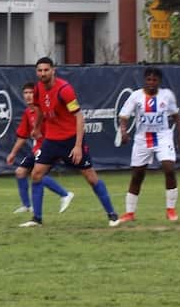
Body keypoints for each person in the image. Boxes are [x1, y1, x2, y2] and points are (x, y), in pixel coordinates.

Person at [21, 57, 119, 228]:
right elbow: (40, 111)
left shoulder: (65, 90)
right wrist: (36, 128)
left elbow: (79, 117)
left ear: (53, 70)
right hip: (51, 141)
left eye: (46, 70)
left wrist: (77, 146)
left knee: (90, 178)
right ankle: (36, 218)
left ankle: (112, 215)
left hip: (70, 140)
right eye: (40, 70)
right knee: (36, 174)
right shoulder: (37, 89)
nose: (43, 73)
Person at [118, 67, 180, 223]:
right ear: (144, 80)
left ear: (159, 81)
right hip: (142, 138)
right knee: (137, 174)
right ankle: (130, 213)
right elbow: (123, 116)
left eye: (154, 80)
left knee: (169, 168)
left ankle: (171, 209)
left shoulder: (167, 95)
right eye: (148, 79)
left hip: (163, 136)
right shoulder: (136, 96)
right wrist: (123, 131)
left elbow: (176, 116)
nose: (151, 82)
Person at [4, 82, 74, 216]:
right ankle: (27, 205)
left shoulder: (43, 110)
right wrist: (13, 153)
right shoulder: (28, 112)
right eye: (26, 93)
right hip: (37, 148)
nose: (28, 96)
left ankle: (65, 194)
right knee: (20, 172)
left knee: (37, 175)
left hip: (49, 147)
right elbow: (23, 136)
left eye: (31, 93)